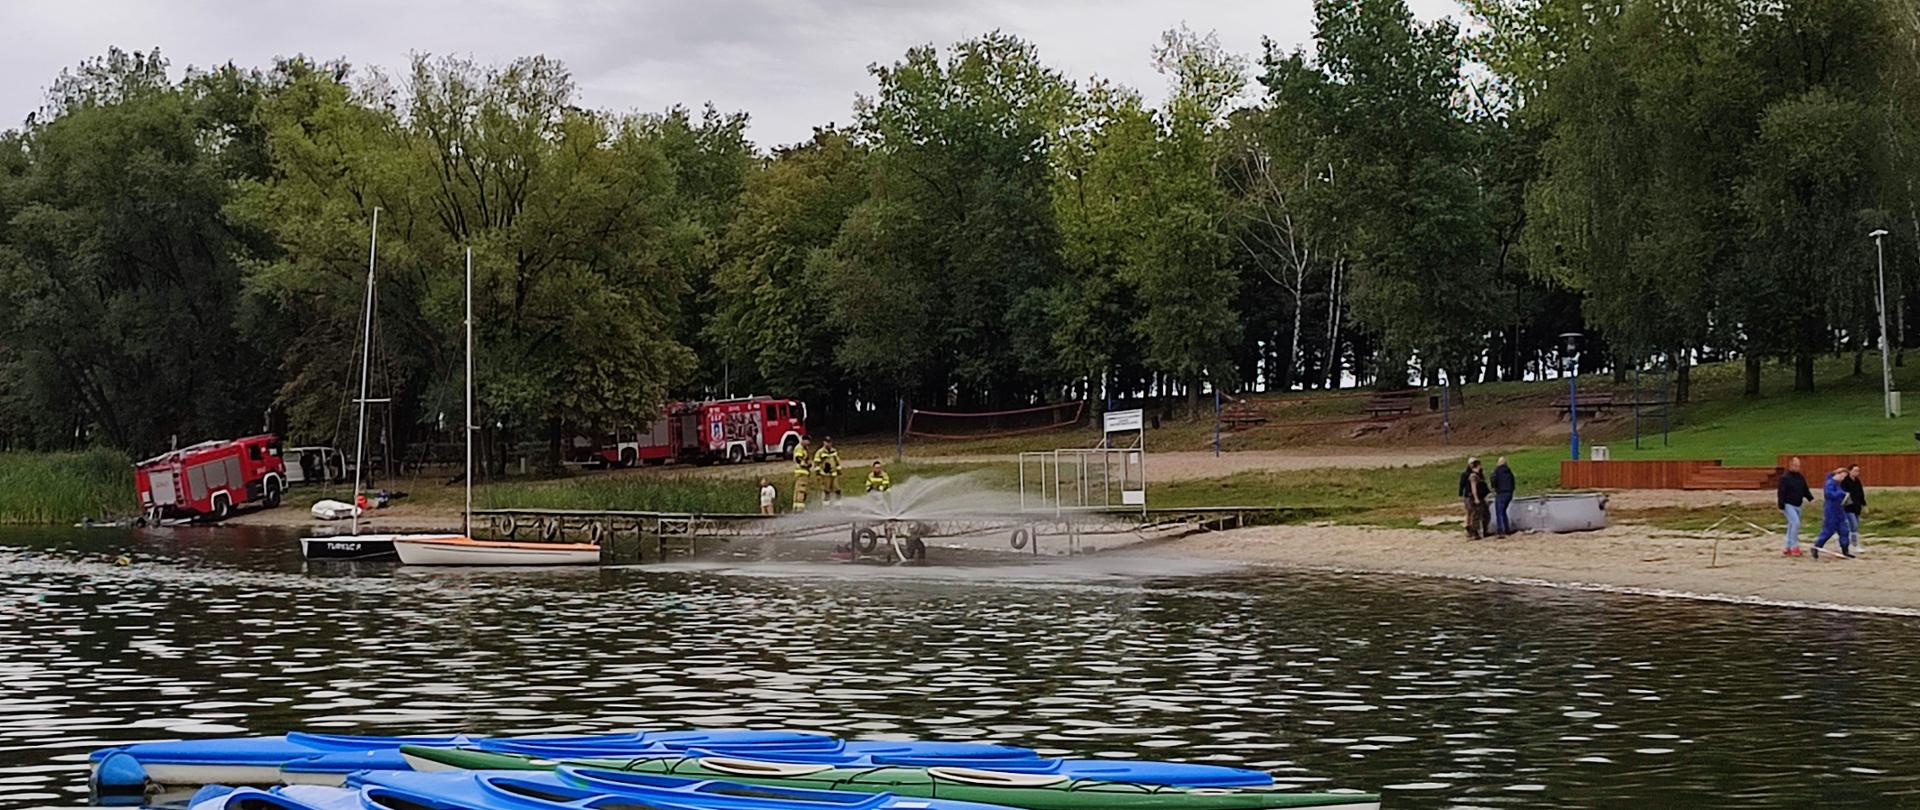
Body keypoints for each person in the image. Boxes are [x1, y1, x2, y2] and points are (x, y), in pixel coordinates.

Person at [1811, 467, 1855, 559]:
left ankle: (1845, 550)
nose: (1843, 479)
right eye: (1842, 476)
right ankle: (1817, 546)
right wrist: (1841, 494)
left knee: (1844, 530)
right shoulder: (1830, 483)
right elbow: (1829, 494)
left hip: (1839, 510)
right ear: (1838, 474)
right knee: (1828, 530)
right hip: (1831, 510)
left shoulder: (1838, 484)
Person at [1777, 457, 1811, 557]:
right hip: (1788, 504)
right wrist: (1781, 505)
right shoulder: (1785, 478)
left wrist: (1810, 497)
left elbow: (1804, 488)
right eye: (1795, 465)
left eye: (1798, 466)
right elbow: (1781, 492)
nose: (1797, 467)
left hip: (1798, 504)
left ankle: (1787, 547)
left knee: (1791, 526)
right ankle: (1794, 546)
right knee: (1795, 523)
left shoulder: (1800, 477)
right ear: (1790, 465)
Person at [1459, 457, 1488, 539]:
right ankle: (1471, 530)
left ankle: (1472, 530)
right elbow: (1470, 487)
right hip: (1470, 496)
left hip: (1475, 496)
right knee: (1472, 513)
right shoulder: (1471, 475)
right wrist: (1475, 498)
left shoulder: (1479, 474)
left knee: (1474, 513)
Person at [1843, 463, 1867, 553]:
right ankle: (1854, 545)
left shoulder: (1857, 481)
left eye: (1858, 471)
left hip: (1857, 507)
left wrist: (1863, 504)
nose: (1857, 472)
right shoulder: (1845, 481)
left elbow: (1861, 493)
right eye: (1855, 470)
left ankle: (1850, 543)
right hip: (1848, 507)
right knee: (1853, 525)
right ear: (1850, 471)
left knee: (1855, 526)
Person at [1491, 457, 1517, 536]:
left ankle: (1501, 530)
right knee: (1503, 511)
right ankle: (1507, 529)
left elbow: (1493, 480)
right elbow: (1513, 482)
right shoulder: (1509, 471)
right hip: (1509, 493)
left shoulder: (1496, 471)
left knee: (1499, 512)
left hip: (1501, 493)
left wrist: (1494, 489)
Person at [814, 437, 843, 506]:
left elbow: (837, 461)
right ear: (824, 443)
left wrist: (839, 470)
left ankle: (838, 503)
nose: (828, 444)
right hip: (825, 474)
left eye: (830, 442)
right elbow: (816, 463)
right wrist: (818, 473)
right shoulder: (820, 452)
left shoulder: (834, 451)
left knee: (837, 488)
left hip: (834, 473)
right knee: (826, 490)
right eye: (827, 442)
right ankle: (826, 504)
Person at [790, 437, 812, 513]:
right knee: (801, 490)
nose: (809, 443)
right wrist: (806, 465)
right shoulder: (800, 448)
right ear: (803, 440)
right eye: (807, 441)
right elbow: (798, 458)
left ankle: (795, 507)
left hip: (801, 472)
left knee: (797, 490)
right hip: (802, 472)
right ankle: (800, 509)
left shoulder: (803, 448)